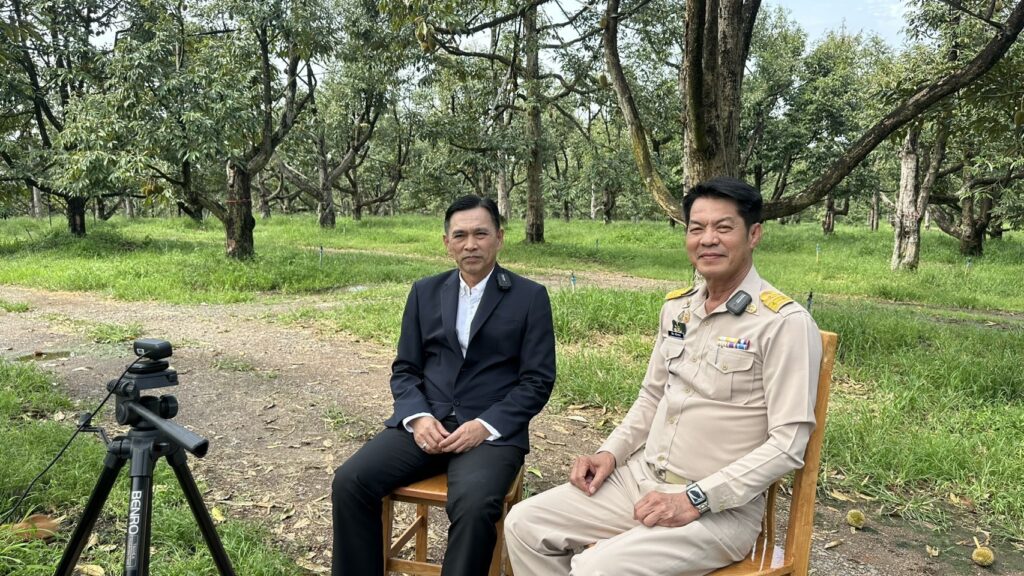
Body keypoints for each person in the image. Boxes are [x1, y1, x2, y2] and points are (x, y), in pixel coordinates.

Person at [504, 177, 822, 576]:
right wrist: (610, 452)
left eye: (724, 228)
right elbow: (652, 397)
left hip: (718, 510)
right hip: (640, 480)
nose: (708, 239)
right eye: (697, 228)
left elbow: (788, 443)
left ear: (753, 234)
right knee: (525, 524)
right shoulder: (677, 310)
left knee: (594, 568)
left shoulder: (783, 323)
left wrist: (695, 498)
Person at [331, 195, 556, 575]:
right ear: (447, 242)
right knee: (351, 481)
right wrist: (418, 417)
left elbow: (537, 380)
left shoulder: (529, 297)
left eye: (481, 234)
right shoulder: (425, 292)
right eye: (460, 235)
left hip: (490, 435)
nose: (471, 244)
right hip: (428, 423)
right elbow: (405, 369)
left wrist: (484, 425)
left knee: (474, 505)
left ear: (500, 238)